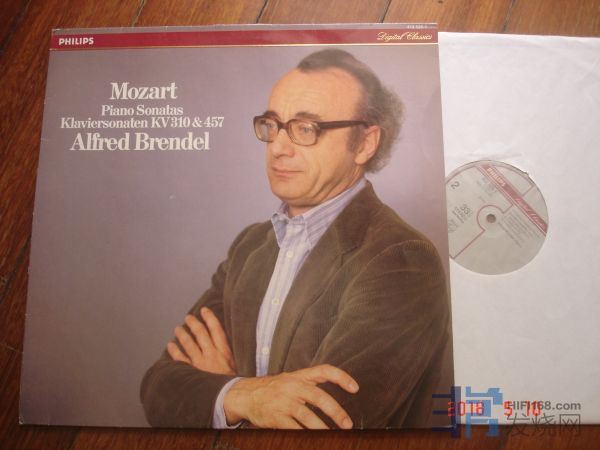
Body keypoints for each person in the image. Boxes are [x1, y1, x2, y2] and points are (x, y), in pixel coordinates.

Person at [140, 49, 451, 429]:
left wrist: (225, 393)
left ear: (365, 143)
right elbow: (158, 389)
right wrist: (248, 396)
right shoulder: (250, 246)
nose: (278, 147)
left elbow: (323, 427)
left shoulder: (401, 260)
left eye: (306, 129)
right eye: (272, 125)